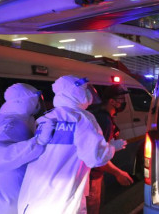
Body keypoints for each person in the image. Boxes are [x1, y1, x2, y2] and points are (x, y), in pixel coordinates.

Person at [18, 75, 127, 214]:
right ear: (75, 92)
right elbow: (95, 158)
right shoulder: (81, 117)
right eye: (85, 89)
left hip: (32, 198)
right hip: (61, 201)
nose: (88, 93)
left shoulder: (45, 118)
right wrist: (112, 147)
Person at [0, 83, 54, 214]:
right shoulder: (8, 123)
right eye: (36, 99)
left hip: (12, 198)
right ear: (27, 101)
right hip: (6, 201)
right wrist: (38, 142)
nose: (39, 104)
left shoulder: (17, 119)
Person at [86, 84, 134, 214]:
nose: (124, 102)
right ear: (112, 101)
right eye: (121, 99)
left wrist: (110, 146)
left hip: (91, 174)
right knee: (92, 209)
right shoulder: (104, 120)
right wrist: (119, 173)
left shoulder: (98, 113)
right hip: (91, 176)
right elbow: (99, 157)